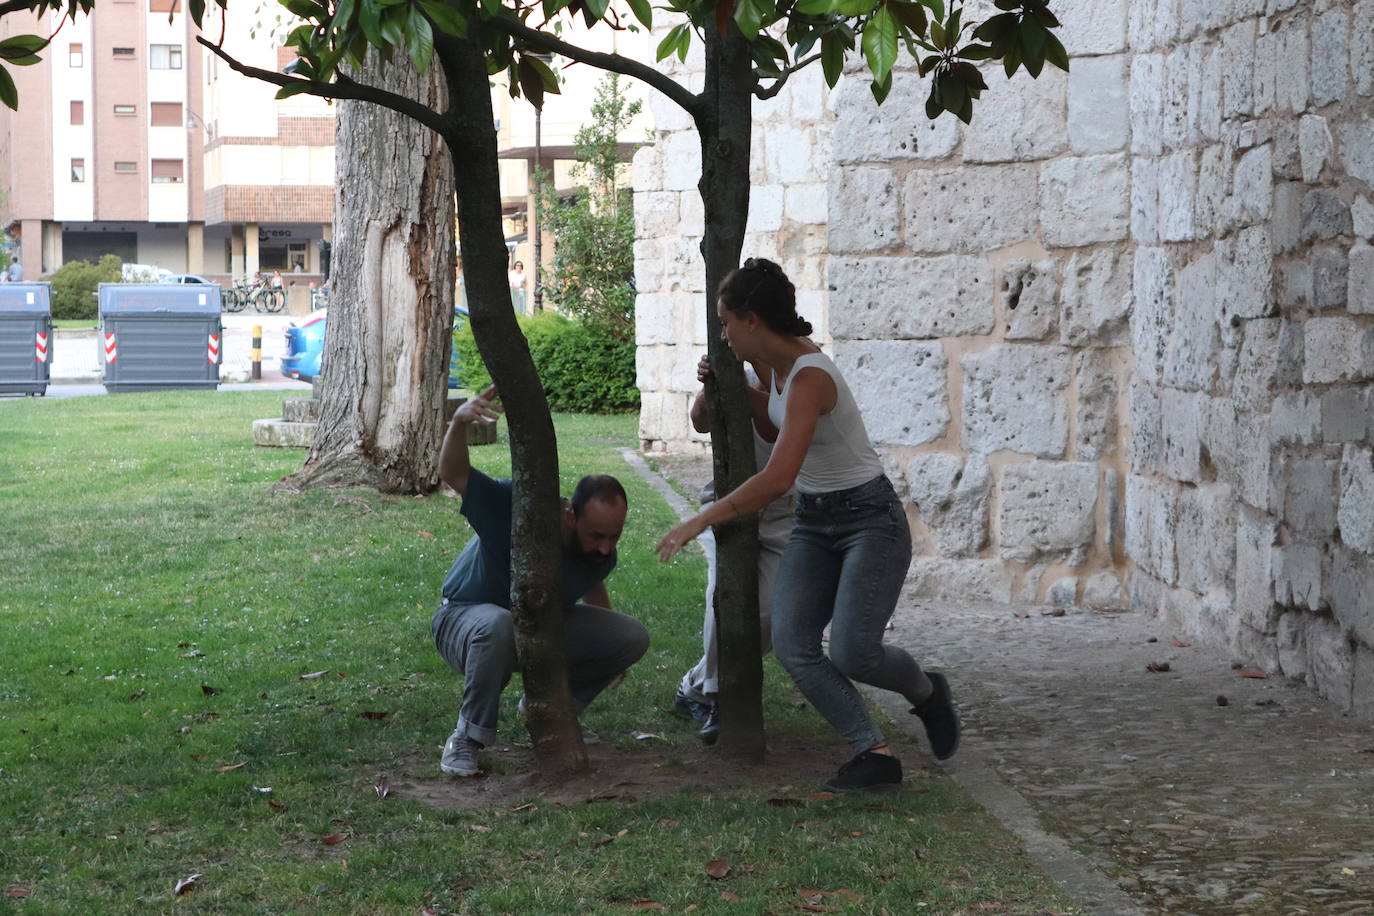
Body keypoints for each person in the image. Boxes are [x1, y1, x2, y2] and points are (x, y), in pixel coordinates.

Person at [656, 258, 960, 794]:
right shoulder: (773, 371)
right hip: (816, 521)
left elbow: (777, 477)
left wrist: (701, 517)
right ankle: (875, 755)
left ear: (751, 320)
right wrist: (730, 390)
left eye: (727, 322)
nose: (723, 334)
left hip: (870, 521)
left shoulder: (810, 375)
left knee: (853, 652)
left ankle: (927, 693)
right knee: (794, 644)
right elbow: (777, 428)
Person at [433, 385, 650, 777]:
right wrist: (459, 423)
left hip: (533, 628)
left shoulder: (599, 555)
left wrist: (611, 652)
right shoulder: (518, 507)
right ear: (570, 514)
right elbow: (453, 474)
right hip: (463, 621)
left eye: (614, 536)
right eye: (596, 535)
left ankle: (552, 712)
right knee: (497, 623)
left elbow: (591, 584)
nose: (605, 548)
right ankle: (466, 737)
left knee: (631, 636)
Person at [672, 356, 795, 745]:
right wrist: (710, 392)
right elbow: (699, 422)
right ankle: (719, 697)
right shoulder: (732, 376)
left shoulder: (800, 380)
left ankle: (695, 684)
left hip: (783, 512)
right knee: (722, 597)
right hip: (725, 507)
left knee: (776, 612)